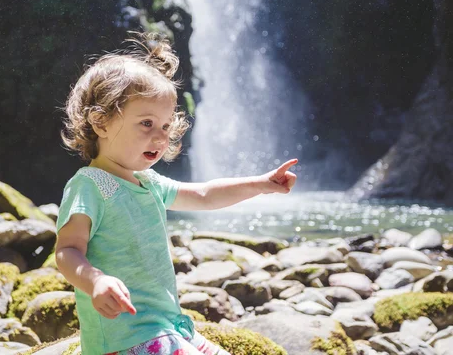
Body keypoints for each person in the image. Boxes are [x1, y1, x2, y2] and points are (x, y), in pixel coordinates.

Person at [55, 33, 297, 355]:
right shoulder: (89, 185)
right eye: (146, 123)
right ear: (101, 122)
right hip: (125, 337)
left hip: (167, 326)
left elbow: (205, 195)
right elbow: (67, 251)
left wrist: (261, 183)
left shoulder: (149, 182)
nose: (160, 136)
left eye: (166, 126)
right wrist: (96, 281)